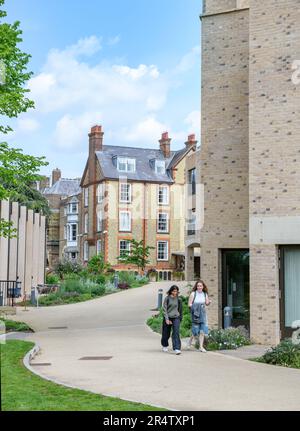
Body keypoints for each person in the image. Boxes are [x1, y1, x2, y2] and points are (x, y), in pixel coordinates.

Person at [187, 280, 210, 352]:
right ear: (196, 287)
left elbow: (206, 303)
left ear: (203, 287)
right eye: (198, 286)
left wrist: (209, 302)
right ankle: (190, 342)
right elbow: (189, 304)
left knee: (202, 331)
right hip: (196, 314)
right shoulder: (193, 294)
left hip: (203, 314)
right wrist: (197, 306)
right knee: (195, 331)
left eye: (201, 286)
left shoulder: (205, 294)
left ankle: (201, 347)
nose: (199, 287)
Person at [161, 285, 183, 355]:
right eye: (174, 291)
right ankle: (165, 345)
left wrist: (180, 318)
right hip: (168, 317)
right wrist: (167, 319)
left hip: (176, 317)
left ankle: (177, 348)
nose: (175, 292)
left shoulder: (178, 299)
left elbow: (180, 309)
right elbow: (164, 310)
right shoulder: (167, 299)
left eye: (176, 291)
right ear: (171, 291)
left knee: (176, 332)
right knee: (166, 333)